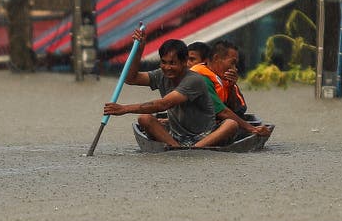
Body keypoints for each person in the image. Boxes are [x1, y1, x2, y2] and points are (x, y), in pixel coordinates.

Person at [103, 38, 266, 148]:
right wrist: (139, 50)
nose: (167, 67)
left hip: (205, 134)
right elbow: (131, 78)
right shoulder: (161, 74)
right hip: (177, 135)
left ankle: (196, 149)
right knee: (144, 119)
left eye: (173, 63)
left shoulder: (194, 80)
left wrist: (124, 109)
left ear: (184, 63)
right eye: (164, 62)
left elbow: (164, 104)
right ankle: (175, 147)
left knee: (231, 125)